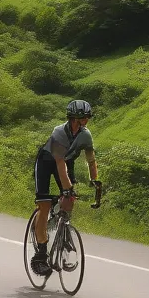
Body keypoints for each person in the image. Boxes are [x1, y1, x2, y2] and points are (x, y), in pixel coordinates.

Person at [31, 99, 102, 277]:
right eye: (81, 118)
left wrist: (95, 180)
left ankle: (62, 227)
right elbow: (60, 165)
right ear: (72, 118)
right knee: (45, 204)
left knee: (69, 199)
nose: (85, 120)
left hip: (66, 162)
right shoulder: (59, 132)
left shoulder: (86, 135)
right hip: (48, 161)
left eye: (87, 117)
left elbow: (91, 160)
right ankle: (40, 255)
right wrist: (67, 187)